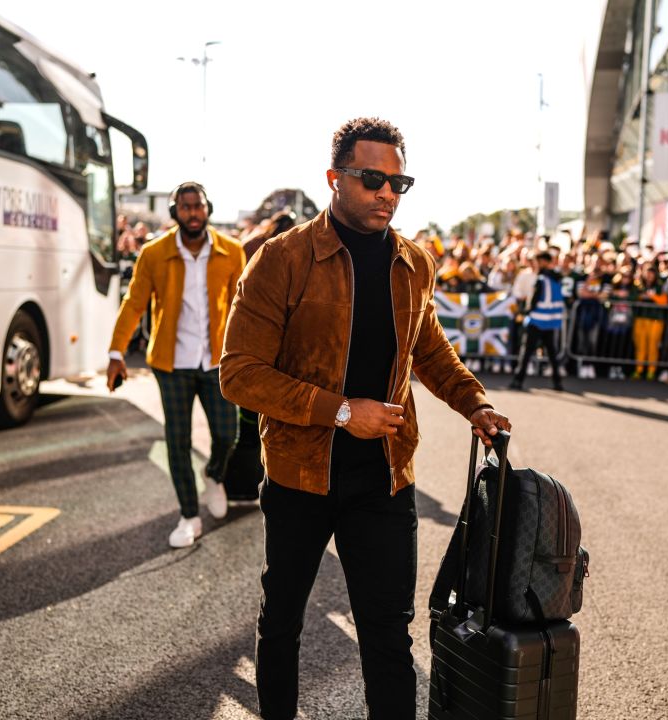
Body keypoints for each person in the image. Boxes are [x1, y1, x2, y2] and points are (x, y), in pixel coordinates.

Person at [219, 117, 511, 720]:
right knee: (282, 625)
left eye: (398, 182)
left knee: (387, 635)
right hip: (301, 478)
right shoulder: (282, 260)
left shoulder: (415, 263)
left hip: (385, 479)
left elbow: (427, 349)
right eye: (373, 178)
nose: (387, 193)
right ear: (334, 177)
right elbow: (240, 373)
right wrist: (344, 412)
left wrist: (474, 402)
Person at [105, 182, 247, 548]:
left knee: (227, 435)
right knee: (177, 441)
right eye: (184, 207)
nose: (192, 213)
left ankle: (214, 475)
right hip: (171, 363)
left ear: (208, 208)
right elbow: (134, 304)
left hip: (217, 360)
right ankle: (188, 515)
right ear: (174, 212)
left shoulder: (232, 252)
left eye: (197, 206)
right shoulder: (154, 253)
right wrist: (116, 353)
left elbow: (241, 308)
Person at [509, 250, 565, 391]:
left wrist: (524, 312)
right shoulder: (556, 278)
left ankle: (518, 380)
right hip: (551, 321)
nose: (536, 264)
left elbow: (533, 301)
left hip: (536, 320)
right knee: (552, 353)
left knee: (526, 352)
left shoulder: (541, 279)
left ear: (543, 262)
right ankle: (557, 382)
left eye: (537, 261)